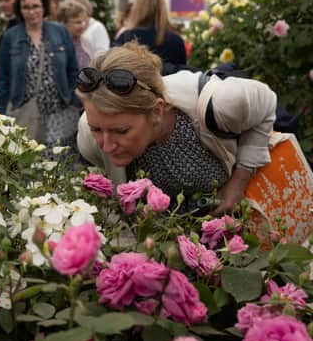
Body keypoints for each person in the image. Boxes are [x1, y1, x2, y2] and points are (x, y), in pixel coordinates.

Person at [76, 42, 277, 215]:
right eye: (97, 129)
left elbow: (267, 101)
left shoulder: (223, 103)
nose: (107, 146)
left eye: (121, 131)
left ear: (156, 111)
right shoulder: (88, 138)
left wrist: (239, 181)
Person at [0, 0, 80, 149]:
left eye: (36, 6)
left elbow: (73, 71)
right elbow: (3, 80)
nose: (31, 12)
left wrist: (74, 101)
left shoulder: (60, 32)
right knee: (29, 159)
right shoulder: (11, 37)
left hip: (60, 111)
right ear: (19, 10)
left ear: (44, 7)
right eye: (26, 7)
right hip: (24, 111)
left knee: (58, 162)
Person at [114, 0, 186, 69]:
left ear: (137, 9)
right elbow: (182, 73)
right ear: (163, 9)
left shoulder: (125, 37)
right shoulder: (176, 40)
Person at [57, 0, 92, 69]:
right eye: (78, 22)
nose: (83, 25)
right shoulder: (56, 43)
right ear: (64, 23)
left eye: (83, 22)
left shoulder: (85, 42)